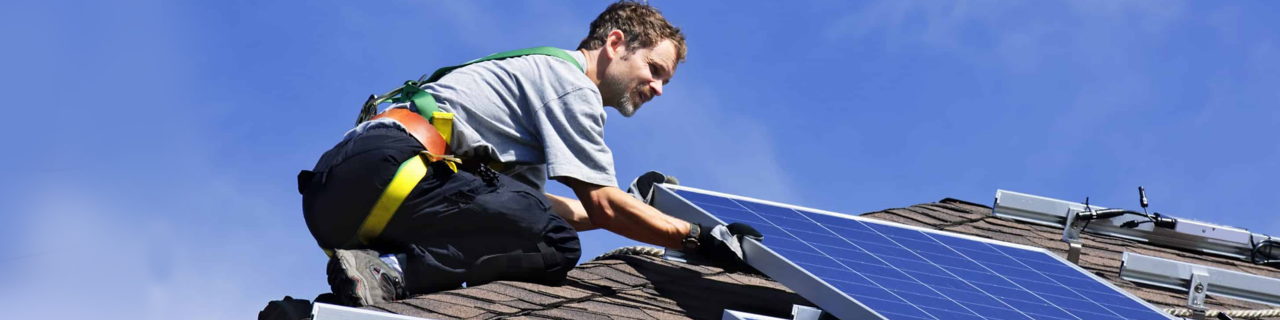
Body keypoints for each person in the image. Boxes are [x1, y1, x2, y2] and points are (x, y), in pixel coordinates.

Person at [298, 1, 761, 307]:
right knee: (555, 245)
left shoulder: (531, 90)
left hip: (340, 195)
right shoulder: (572, 86)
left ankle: (371, 276)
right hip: (391, 172)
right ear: (616, 43)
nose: (658, 88)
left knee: (542, 224)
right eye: (654, 70)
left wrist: (630, 211)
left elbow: (538, 208)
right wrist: (698, 237)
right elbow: (596, 204)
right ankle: (393, 270)